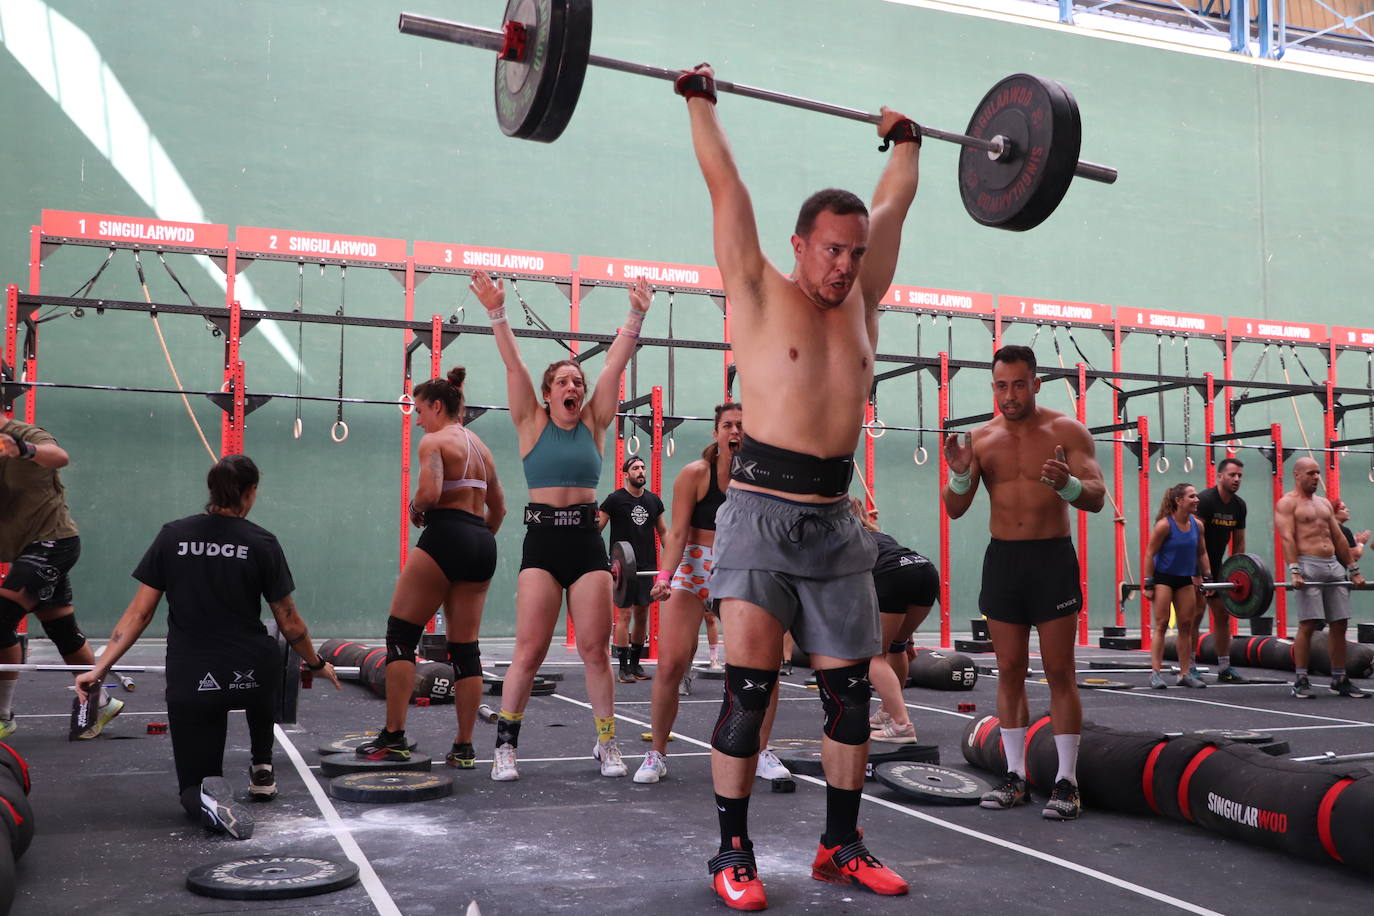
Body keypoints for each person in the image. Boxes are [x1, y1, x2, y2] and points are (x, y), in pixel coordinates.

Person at [679, 62, 921, 907]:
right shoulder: (756, 290)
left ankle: (840, 845)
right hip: (757, 518)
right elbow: (726, 184)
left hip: (835, 526)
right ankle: (731, 854)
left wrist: (906, 141)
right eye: (832, 249)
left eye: (855, 252)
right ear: (798, 244)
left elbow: (896, 200)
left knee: (850, 699)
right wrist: (699, 103)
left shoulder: (864, 300)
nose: (847, 264)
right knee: (750, 698)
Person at [74, 455, 341, 839]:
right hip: (250, 674)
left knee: (192, 786)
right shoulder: (262, 542)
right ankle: (262, 765)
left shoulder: (173, 536)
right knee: (266, 655)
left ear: (211, 491)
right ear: (250, 493)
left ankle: (207, 796)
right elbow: (288, 620)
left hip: (193, 678)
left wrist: (99, 669)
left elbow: (139, 614)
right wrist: (316, 663)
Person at [471, 269, 651, 782]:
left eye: (578, 381)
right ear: (548, 395)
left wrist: (635, 314)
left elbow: (614, 365)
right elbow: (513, 362)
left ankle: (607, 745)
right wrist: (496, 311)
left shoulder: (594, 422)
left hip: (587, 546)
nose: (574, 385)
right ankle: (506, 747)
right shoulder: (531, 422)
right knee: (529, 651)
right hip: (543, 544)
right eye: (563, 382)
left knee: (596, 651)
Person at [942, 344, 1106, 821]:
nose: (1009, 395)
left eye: (1018, 384)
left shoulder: (1066, 431)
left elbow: (1096, 497)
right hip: (1004, 562)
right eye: (1000, 386)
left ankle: (1067, 783)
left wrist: (1069, 486)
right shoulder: (982, 439)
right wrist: (958, 477)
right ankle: (1014, 777)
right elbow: (955, 509)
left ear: (1036, 383)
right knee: (1009, 670)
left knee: (1059, 671)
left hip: (1050, 558)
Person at [356, 368, 505, 769]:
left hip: (447, 535)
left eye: (420, 410)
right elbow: (500, 509)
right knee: (465, 648)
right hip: (481, 542)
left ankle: (394, 738)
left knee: (401, 636)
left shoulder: (433, 441)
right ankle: (464, 747)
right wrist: (475, 539)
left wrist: (418, 510)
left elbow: (430, 492)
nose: (417, 418)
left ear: (437, 406)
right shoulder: (482, 448)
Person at [636, 403, 790, 787]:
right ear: (717, 433)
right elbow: (676, 534)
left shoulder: (761, 478)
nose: (735, 431)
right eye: (728, 425)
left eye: (742, 425)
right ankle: (656, 752)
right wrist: (665, 576)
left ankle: (761, 751)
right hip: (694, 566)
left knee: (764, 669)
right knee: (671, 664)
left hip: (740, 567)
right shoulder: (695, 475)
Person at [0, 418, 122, 740]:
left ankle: (2, 716)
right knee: (62, 631)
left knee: (0, 620)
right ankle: (104, 702)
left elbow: (59, 457)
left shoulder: (25, 435)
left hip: (54, 543)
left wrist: (24, 450)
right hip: (27, 550)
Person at [1275, 457, 1368, 700]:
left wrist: (1353, 569)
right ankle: (1301, 679)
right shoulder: (1287, 503)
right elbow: (1287, 538)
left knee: (1340, 623)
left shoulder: (1324, 504)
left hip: (1332, 566)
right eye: (1311, 473)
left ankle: (1339, 678)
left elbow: (1338, 538)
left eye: (1318, 473)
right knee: (1309, 624)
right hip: (1308, 564)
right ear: (1297, 475)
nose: (1316, 477)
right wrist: (1294, 569)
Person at [850, 499, 937, 743]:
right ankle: (889, 712)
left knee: (872, 654)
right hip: (925, 570)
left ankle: (901, 724)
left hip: (894, 576)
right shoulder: (882, 535)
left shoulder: (843, 538)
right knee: (896, 646)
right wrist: (908, 638)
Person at [598, 456, 666, 683]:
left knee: (642, 614)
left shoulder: (653, 501)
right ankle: (623, 667)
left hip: (647, 565)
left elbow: (664, 532)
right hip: (624, 567)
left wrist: (674, 560)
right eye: (635, 468)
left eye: (643, 468)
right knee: (624, 614)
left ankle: (636, 665)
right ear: (626, 474)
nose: (640, 471)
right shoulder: (614, 500)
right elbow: (596, 529)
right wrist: (603, 559)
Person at [1141, 484, 1210, 689]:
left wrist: (1207, 576)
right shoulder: (1165, 525)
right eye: (1192, 496)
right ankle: (1155, 673)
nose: (1196, 499)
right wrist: (1148, 583)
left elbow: (1202, 553)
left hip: (1185, 579)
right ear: (1179, 501)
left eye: (1196, 496)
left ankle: (1184, 673)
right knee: (1161, 625)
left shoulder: (1197, 525)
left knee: (1186, 627)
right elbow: (1150, 553)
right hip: (1164, 578)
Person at [1194, 457, 1248, 683]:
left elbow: (1238, 543)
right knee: (1194, 617)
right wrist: (1199, 573)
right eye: (1232, 475)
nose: (1236, 479)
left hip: (1219, 568)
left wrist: (1235, 573)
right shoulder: (1205, 500)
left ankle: (1225, 668)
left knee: (1222, 616)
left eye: (1239, 476)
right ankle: (1189, 667)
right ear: (1220, 476)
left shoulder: (1239, 506)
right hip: (1196, 564)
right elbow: (1194, 539)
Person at [1333, 499, 1370, 564]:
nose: (1347, 510)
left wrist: (1353, 541)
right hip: (1335, 571)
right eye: (1343, 508)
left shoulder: (1327, 529)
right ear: (1333, 513)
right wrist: (1361, 543)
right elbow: (1354, 556)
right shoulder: (1344, 530)